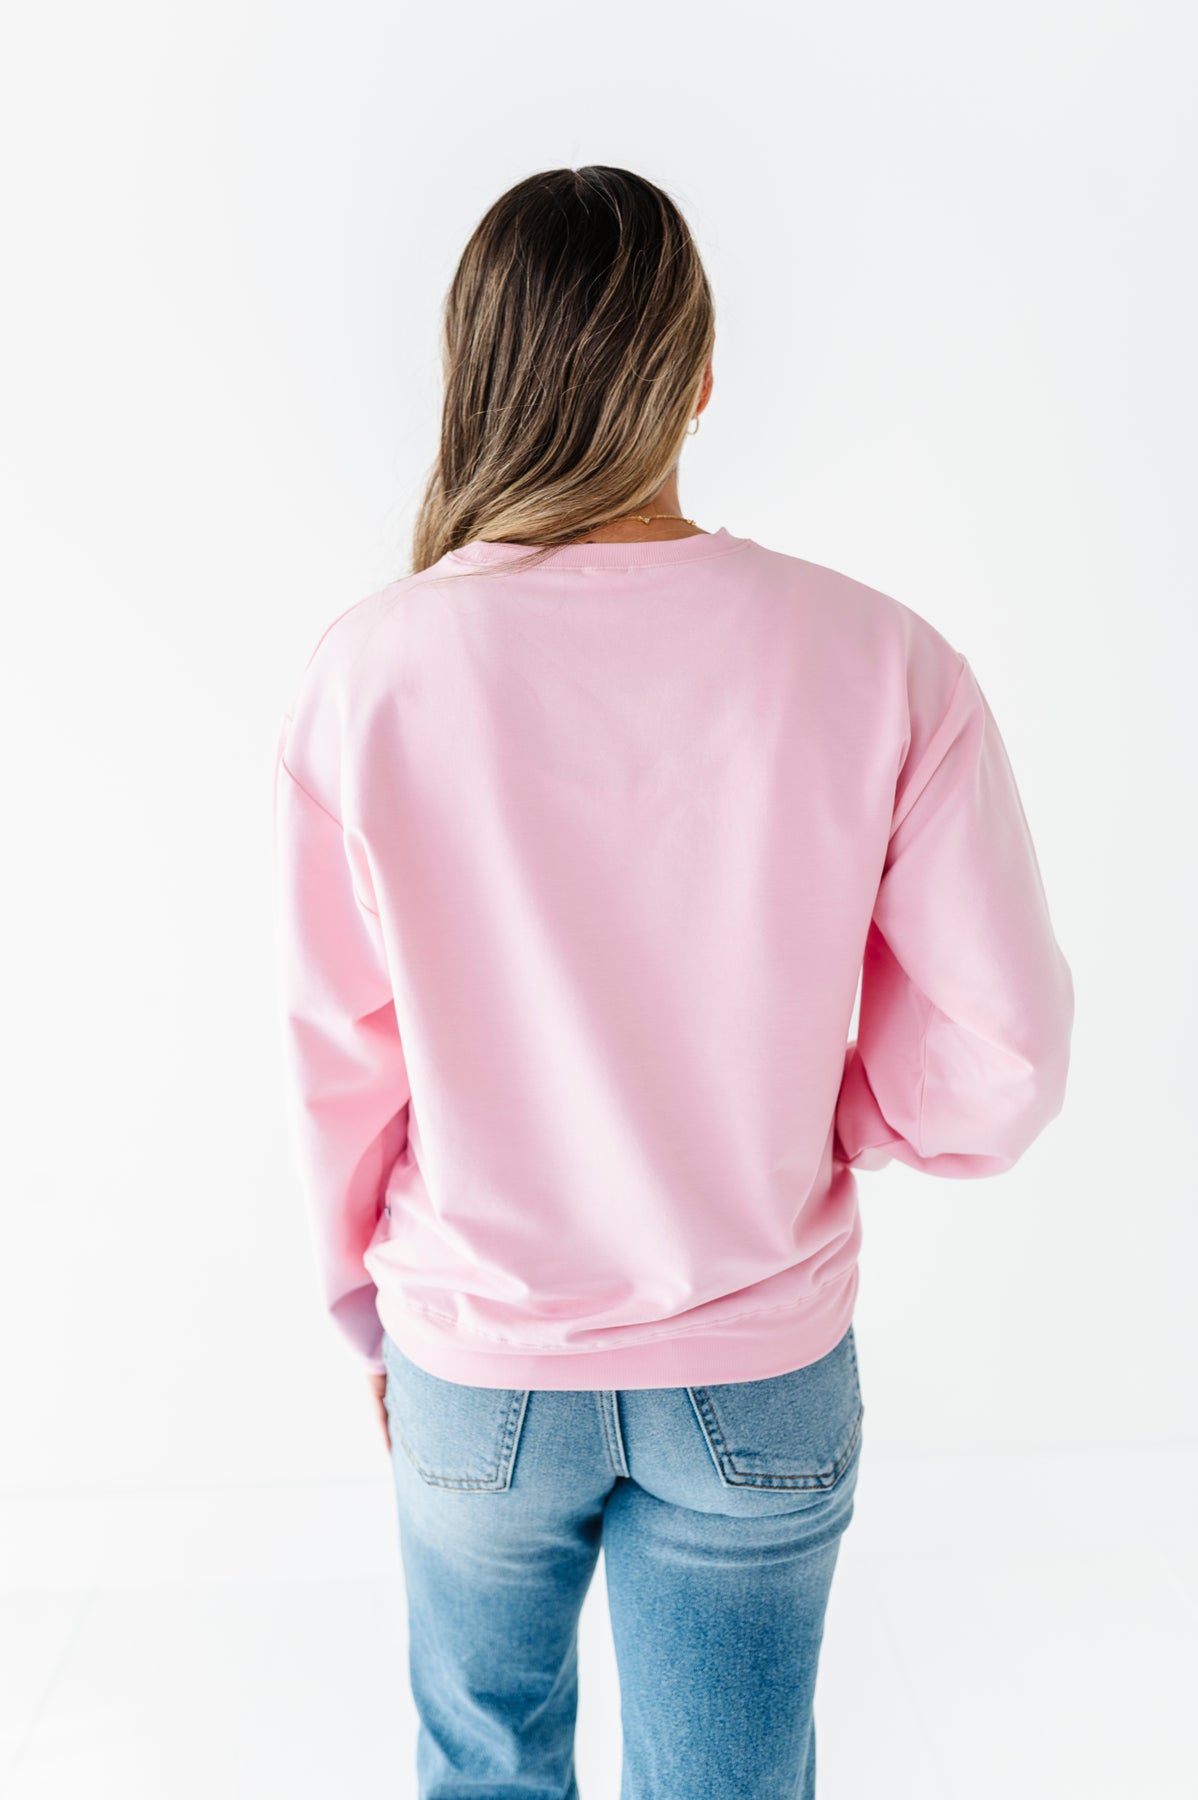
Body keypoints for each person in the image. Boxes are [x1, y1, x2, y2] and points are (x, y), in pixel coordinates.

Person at [272, 164, 1075, 1799]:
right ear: (697, 376)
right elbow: (1002, 1049)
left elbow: (335, 1051)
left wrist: (365, 1306)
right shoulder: (879, 657)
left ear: (474, 369)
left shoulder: (368, 671)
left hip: (475, 1360)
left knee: (484, 1769)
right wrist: (837, 1116)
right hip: (753, 1359)